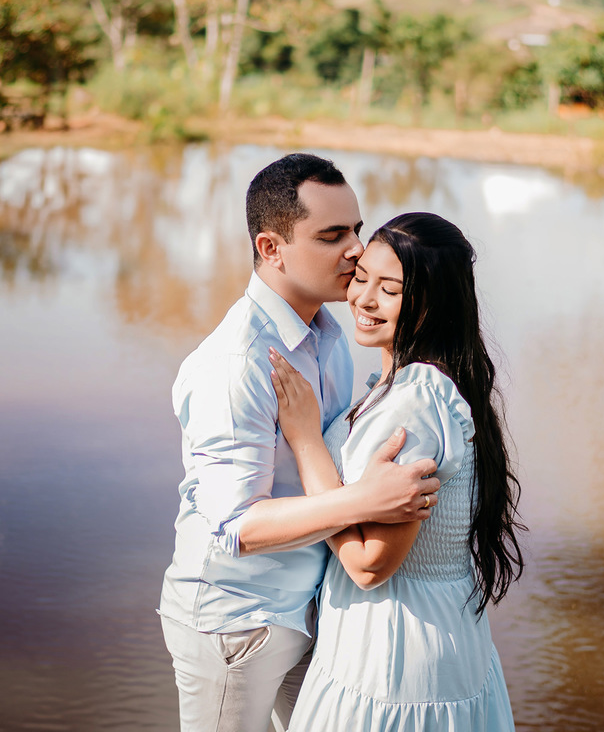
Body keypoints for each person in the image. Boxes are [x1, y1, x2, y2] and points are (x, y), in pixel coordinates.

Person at [159, 154, 442, 732]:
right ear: (271, 247)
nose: (357, 250)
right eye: (332, 235)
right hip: (237, 620)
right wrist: (367, 502)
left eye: (357, 230)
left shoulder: (328, 335)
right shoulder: (237, 362)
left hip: (308, 606)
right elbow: (235, 527)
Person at [268, 211, 525, 731]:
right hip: (426, 632)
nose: (363, 300)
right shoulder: (412, 386)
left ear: (434, 303)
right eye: (362, 278)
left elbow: (369, 564)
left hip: (395, 649)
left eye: (391, 289)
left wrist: (305, 439)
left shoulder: (416, 405)